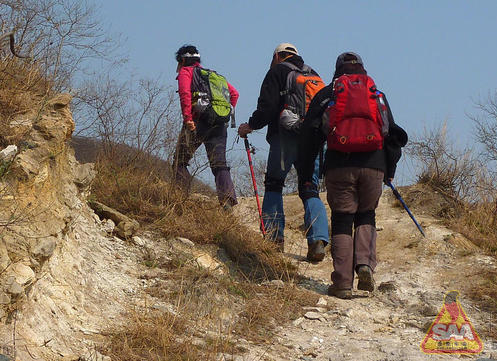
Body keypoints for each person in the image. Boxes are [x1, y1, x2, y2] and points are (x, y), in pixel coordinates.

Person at [297, 52, 408, 298]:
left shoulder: (327, 94)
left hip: (339, 165)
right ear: (362, 69)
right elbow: (392, 135)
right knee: (367, 215)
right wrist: (389, 171)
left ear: (337, 70)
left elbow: (309, 137)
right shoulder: (376, 94)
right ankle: (365, 265)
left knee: (342, 219)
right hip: (374, 165)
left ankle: (342, 283)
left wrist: (306, 173)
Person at [237, 43, 329, 261]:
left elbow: (267, 108)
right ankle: (317, 240)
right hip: (313, 139)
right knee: (310, 188)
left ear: (277, 56)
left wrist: (251, 125)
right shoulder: (313, 74)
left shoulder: (277, 72)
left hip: (285, 137)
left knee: (274, 184)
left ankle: (274, 239)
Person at [173, 44, 238, 208]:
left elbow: (185, 94)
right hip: (219, 124)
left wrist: (188, 118)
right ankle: (227, 202)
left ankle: (179, 199)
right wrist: (223, 113)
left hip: (198, 122)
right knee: (219, 164)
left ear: (182, 60)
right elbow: (234, 94)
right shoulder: (212, 75)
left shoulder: (186, 72)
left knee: (180, 161)